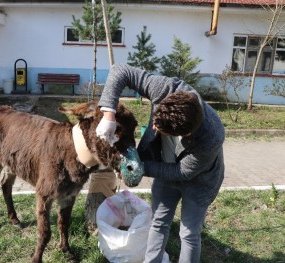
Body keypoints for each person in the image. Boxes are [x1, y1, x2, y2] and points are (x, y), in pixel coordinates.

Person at [96, 64, 225, 263]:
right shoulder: (166, 88)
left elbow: (182, 172)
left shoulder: (212, 135)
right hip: (166, 169)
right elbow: (120, 70)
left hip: (200, 181)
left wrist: (141, 167)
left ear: (185, 133)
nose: (153, 127)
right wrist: (108, 115)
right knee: (158, 222)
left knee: (188, 233)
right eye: (155, 120)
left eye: (160, 128)